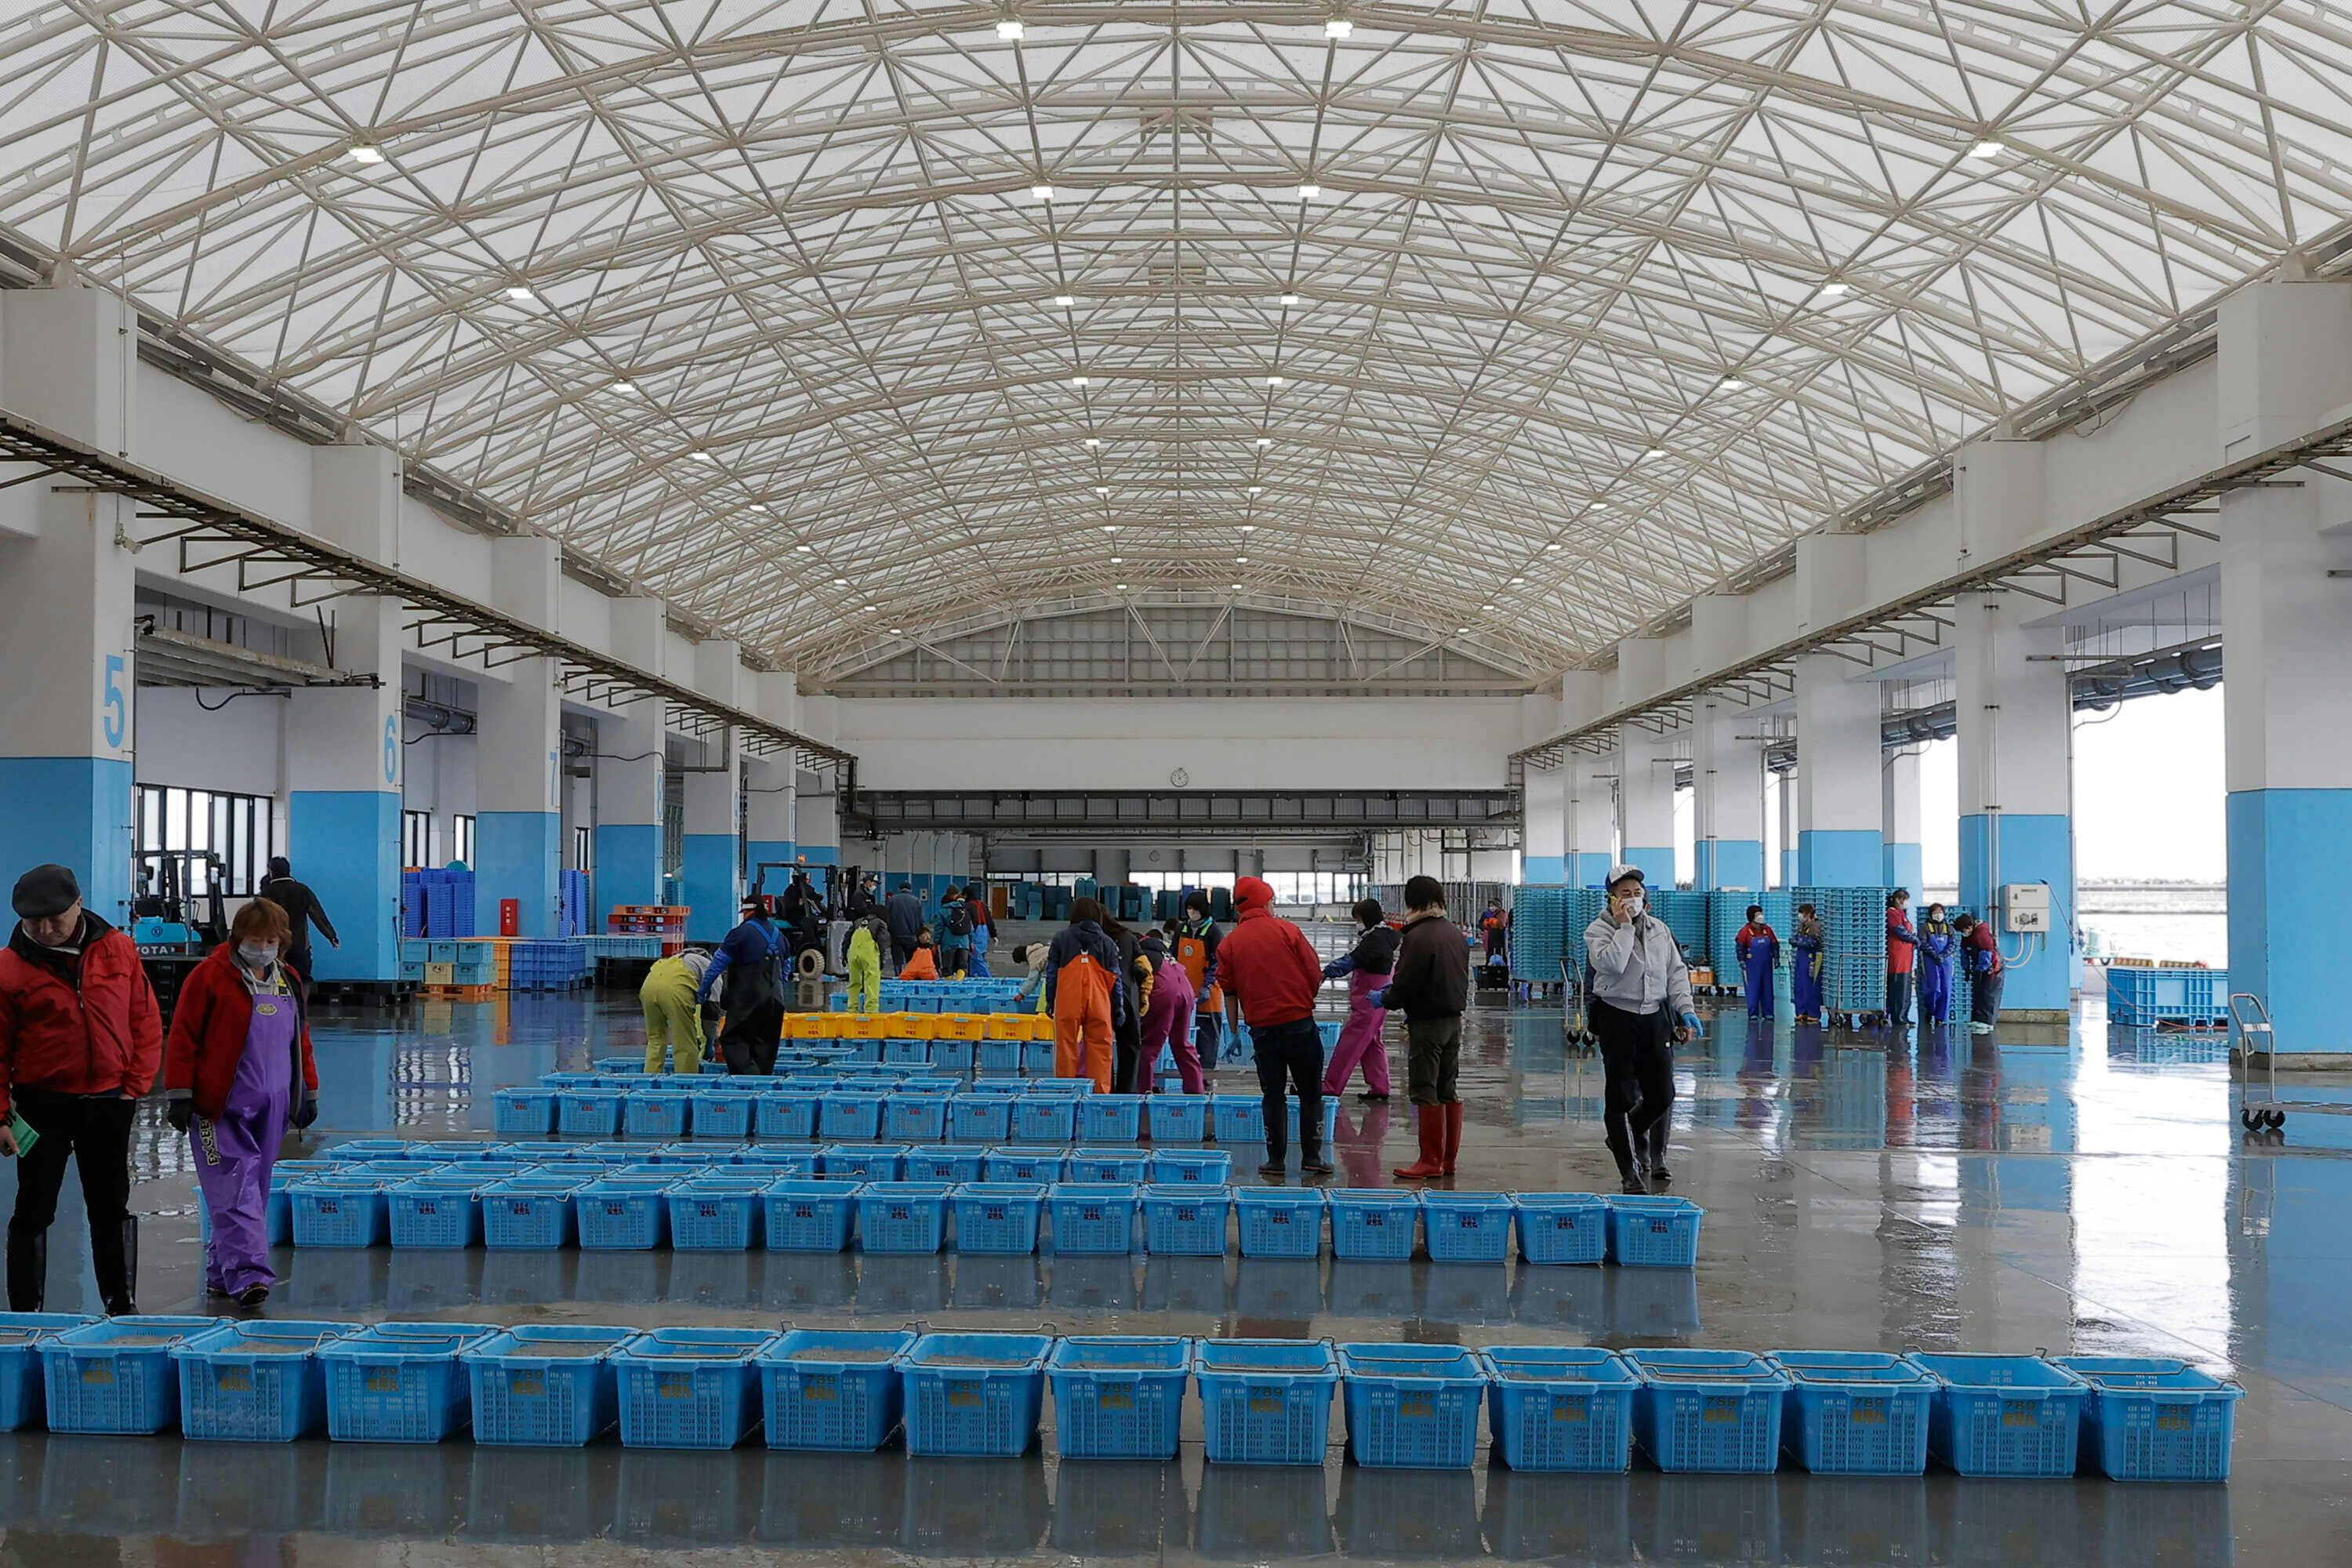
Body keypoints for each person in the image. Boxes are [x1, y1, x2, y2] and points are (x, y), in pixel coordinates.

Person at [0, 864, 163, 1315]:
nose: (44, 930)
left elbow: (144, 1018)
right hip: (41, 1103)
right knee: (33, 1208)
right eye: (33, 921)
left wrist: (134, 1085)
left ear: (78, 904)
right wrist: (1, 1115)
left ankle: (121, 1306)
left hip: (109, 1101)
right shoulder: (8, 967)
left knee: (110, 1205)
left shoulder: (118, 948)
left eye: (54, 919)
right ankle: (26, 1312)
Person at [162, 898, 320, 1306]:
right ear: (237, 938)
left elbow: (300, 1040)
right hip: (217, 1106)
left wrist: (308, 1091)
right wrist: (180, 1093)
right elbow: (183, 1036)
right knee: (233, 1187)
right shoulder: (208, 978)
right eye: (254, 940)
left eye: (270, 941)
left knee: (256, 1189)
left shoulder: (288, 980)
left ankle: (222, 1273)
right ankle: (250, 1274)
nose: (262, 948)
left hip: (273, 1104)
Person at [1583, 864, 1697, 1194]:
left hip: (1654, 1016)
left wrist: (1685, 1010)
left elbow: (1675, 972)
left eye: (1636, 892)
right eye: (1625, 893)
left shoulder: (1659, 929)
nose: (1632, 898)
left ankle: (1623, 1134)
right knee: (1620, 1095)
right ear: (1612, 899)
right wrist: (1624, 927)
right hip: (1618, 1016)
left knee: (1663, 1093)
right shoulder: (1598, 931)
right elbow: (1613, 964)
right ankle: (1630, 1175)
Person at [1215, 876, 1332, 1177]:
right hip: (1299, 1024)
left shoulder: (1229, 945)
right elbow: (1314, 972)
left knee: (1273, 1095)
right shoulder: (1288, 931)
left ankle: (1276, 1161)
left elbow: (1229, 992)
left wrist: (1233, 1032)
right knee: (1310, 1093)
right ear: (1265, 902)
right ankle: (1312, 1157)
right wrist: (1303, 1000)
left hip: (1263, 1031)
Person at [1377, 878, 1470, 1178]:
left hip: (1428, 1023)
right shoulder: (1454, 933)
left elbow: (1406, 983)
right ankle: (1447, 1160)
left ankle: (1430, 1160)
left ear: (1411, 901)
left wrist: (1386, 999)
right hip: (1453, 1021)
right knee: (1447, 1088)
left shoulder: (1418, 937)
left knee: (1424, 1087)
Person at [1045, 898, 1128, 1091]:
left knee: (1066, 1047)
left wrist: (1050, 1001)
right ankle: (1099, 1097)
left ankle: (1066, 1094)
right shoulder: (1107, 943)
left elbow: (1051, 974)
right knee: (1101, 1049)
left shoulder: (1061, 939)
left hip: (1068, 1001)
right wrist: (1118, 1007)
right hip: (1099, 1002)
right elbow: (1116, 978)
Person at [1320, 898, 1398, 1101]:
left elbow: (1351, 961)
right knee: (1372, 1041)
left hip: (1369, 1001)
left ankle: (1330, 1086)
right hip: (1378, 999)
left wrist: (1326, 972)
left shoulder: (1375, 941)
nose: (1357, 924)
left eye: (1358, 919)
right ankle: (1380, 1086)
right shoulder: (1385, 936)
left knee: (1350, 1042)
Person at [699, 897, 786, 1076]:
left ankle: (749, 1080)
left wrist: (704, 988)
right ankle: (763, 1084)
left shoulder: (740, 934)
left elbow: (717, 964)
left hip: (748, 998)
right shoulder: (780, 936)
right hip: (776, 999)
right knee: (765, 1044)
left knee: (733, 1038)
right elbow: (786, 971)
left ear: (748, 912)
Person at [259, 855, 339, 995]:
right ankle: (300, 1006)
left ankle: (278, 1006)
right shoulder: (302, 890)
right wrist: (331, 936)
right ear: (289, 871)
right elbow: (317, 914)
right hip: (300, 946)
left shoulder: (266, 893)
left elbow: (257, 921)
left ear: (271, 871)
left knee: (273, 980)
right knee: (303, 980)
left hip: (274, 947)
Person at [1138, 938, 1201, 1092]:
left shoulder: (1141, 953)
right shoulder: (1165, 954)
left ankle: (1145, 1090)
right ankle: (1196, 1090)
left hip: (1165, 993)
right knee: (1181, 1043)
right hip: (1187, 991)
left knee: (1149, 1045)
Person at [1173, 891, 1227, 1068]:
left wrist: (1207, 986)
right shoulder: (1182, 929)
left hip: (1207, 997)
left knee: (1207, 1039)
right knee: (1184, 1037)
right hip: (1184, 995)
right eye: (1189, 908)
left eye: (1194, 909)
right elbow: (1173, 956)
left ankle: (1206, 1076)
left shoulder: (1213, 932)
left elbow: (1217, 962)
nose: (1191, 912)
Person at [638, 949, 713, 1073]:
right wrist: (709, 1043)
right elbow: (712, 1012)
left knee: (655, 1039)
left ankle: (650, 1077)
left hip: (648, 988)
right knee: (684, 1042)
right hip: (675, 991)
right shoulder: (709, 966)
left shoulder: (674, 960)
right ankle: (685, 1080)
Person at [1102, 914, 1152, 1094]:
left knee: (1102, 1047)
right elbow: (1146, 969)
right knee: (1130, 1047)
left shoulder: (1096, 938)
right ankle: (1128, 1093)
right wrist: (1144, 996)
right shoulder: (1129, 937)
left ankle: (1105, 1090)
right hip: (1129, 996)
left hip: (1102, 998)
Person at [1953, 913, 2004, 1034]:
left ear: (1970, 926)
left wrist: (1980, 970)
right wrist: (1966, 969)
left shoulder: (1982, 935)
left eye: (1963, 930)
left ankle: (1988, 1022)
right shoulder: (1968, 936)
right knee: (1978, 992)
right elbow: (1964, 953)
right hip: (1978, 965)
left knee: (1988, 993)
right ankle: (1978, 1019)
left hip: (1992, 967)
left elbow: (1986, 956)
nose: (1963, 933)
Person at [1736, 904, 1779, 1019]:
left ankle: (1768, 1013)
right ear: (1752, 917)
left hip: (1766, 964)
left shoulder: (1767, 930)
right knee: (1753, 989)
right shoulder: (1745, 931)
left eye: (1761, 913)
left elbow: (1775, 944)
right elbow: (1740, 947)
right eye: (1758, 914)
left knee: (1768, 988)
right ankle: (1753, 1013)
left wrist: (1776, 958)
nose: (1761, 916)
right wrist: (1742, 960)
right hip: (1752, 966)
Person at [1917, 903, 1957, 1025]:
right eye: (1935, 912)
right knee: (1933, 988)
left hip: (1946, 962)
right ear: (1930, 914)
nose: (1938, 914)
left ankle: (1941, 1018)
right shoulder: (1925, 928)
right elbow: (1922, 943)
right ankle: (1930, 1011)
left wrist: (1943, 955)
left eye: (1940, 912)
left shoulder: (1949, 928)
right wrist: (1934, 954)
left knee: (1946, 989)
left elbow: (1952, 944)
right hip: (1930, 961)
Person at [1790, 903, 1825, 1023]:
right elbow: (1795, 938)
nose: (1800, 916)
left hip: (1812, 959)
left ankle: (1813, 1012)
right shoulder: (1803, 927)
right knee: (1800, 986)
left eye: (1802, 914)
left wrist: (1799, 942)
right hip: (1801, 959)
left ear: (1808, 914)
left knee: (1811, 986)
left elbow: (1813, 943)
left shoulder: (1815, 927)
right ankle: (1801, 1011)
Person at [845, 918, 884, 1012]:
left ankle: (852, 1009)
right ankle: (871, 1011)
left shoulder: (857, 922)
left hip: (853, 954)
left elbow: (847, 938)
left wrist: (844, 954)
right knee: (871, 982)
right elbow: (883, 942)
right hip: (869, 955)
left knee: (854, 982)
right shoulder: (880, 924)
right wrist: (882, 960)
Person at [884, 881, 924, 970]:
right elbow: (920, 920)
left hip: (895, 935)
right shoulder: (916, 901)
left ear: (899, 889)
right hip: (911, 936)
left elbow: (887, 917)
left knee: (897, 960)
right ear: (911, 889)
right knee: (911, 960)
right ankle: (909, 974)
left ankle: (898, 974)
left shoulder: (891, 900)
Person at [937, 887, 973, 978]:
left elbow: (939, 928)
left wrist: (936, 942)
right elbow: (970, 927)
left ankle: (949, 984)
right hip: (964, 942)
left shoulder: (944, 910)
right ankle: (959, 982)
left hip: (948, 943)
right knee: (962, 966)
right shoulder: (964, 909)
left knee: (947, 968)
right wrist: (970, 942)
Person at [964, 884, 993, 978]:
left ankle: (987, 978)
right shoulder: (983, 905)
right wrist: (993, 934)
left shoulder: (967, 906)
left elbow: (967, 923)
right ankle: (975, 976)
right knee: (980, 957)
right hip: (984, 934)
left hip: (975, 934)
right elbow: (989, 920)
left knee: (976, 958)